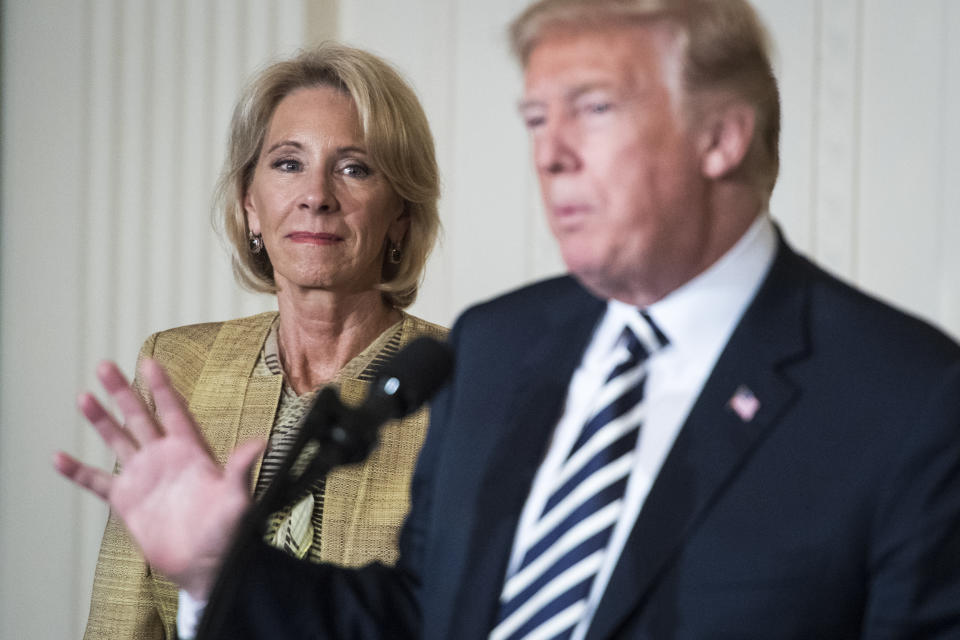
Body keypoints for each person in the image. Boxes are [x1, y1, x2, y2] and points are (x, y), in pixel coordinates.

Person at [58, 0, 960, 638]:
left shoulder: (908, 400)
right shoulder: (500, 348)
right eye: (536, 117)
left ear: (721, 135)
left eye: (594, 110)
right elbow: (418, 617)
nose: (551, 154)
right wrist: (223, 570)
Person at [75, 42, 446, 639]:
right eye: (288, 163)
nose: (317, 195)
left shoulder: (465, 385)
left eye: (355, 167)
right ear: (250, 204)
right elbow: (123, 619)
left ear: (401, 212)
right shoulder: (179, 369)